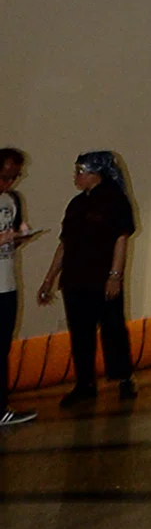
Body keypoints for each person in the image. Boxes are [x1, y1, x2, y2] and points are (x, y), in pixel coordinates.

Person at [38, 150, 137, 409]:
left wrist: (115, 276)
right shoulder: (76, 205)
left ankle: (123, 377)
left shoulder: (116, 201)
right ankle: (85, 383)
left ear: (95, 174)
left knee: (112, 328)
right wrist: (49, 278)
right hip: (75, 279)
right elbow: (64, 244)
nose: (76, 177)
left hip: (102, 278)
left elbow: (121, 238)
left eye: (79, 172)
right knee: (80, 332)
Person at [0, 145, 39, 430]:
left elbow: (13, 235)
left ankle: (2, 408)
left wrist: (20, 238)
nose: (9, 183)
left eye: (14, 177)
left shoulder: (12, 200)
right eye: (5, 177)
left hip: (7, 285)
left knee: (2, 347)